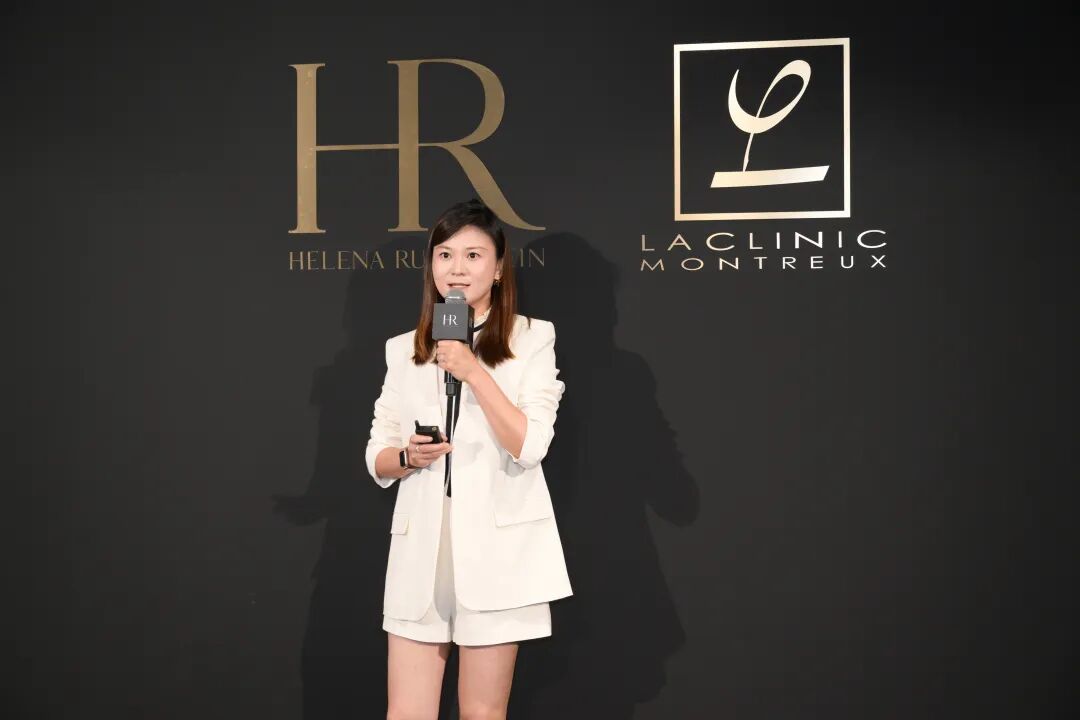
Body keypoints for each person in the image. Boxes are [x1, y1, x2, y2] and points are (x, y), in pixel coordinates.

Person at [365, 199, 573, 720]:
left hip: (499, 551)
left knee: (482, 712)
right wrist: (408, 456)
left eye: (473, 255)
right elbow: (377, 455)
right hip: (422, 552)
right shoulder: (403, 349)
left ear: (498, 268)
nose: (456, 268)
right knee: (406, 712)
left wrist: (473, 370)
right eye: (445, 254)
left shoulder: (532, 338)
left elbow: (530, 446)